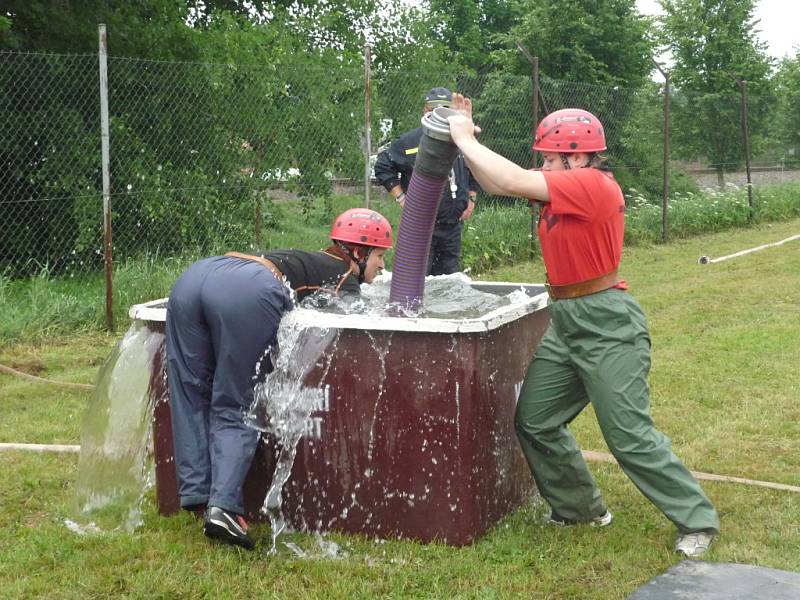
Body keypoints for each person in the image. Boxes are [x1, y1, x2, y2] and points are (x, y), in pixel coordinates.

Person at [446, 96, 720, 558]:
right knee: (535, 421)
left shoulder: (593, 184)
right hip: (567, 319)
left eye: (551, 158)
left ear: (577, 155)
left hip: (607, 322)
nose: (546, 166)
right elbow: (500, 184)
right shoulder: (563, 185)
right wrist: (466, 138)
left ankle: (698, 520)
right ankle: (580, 510)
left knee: (628, 436)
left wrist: (460, 136)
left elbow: (512, 177)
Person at [165, 208, 393, 550]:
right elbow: (363, 321)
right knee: (238, 400)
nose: (382, 266)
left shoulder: (309, 259)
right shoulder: (345, 274)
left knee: (189, 391)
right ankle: (223, 506)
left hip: (197, 276)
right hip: (247, 290)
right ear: (357, 254)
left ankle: (198, 493)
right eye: (379, 256)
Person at [373, 87, 478, 275]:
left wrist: (471, 198)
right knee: (418, 278)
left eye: (445, 108)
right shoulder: (411, 141)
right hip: (422, 226)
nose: (438, 113)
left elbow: (477, 165)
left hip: (452, 225)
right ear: (425, 110)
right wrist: (401, 198)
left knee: (449, 278)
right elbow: (383, 166)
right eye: (433, 109)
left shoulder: (462, 139)